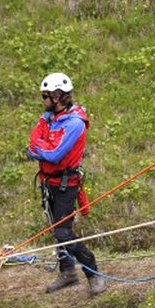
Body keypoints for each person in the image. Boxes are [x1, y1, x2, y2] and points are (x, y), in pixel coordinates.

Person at [27, 73, 107, 296]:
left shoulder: (73, 123)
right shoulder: (49, 117)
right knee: (57, 230)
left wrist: (38, 148)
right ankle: (68, 271)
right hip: (49, 182)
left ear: (56, 96)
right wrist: (38, 146)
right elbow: (32, 142)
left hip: (65, 184)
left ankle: (93, 274)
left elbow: (53, 154)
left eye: (44, 96)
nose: (42, 100)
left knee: (63, 232)